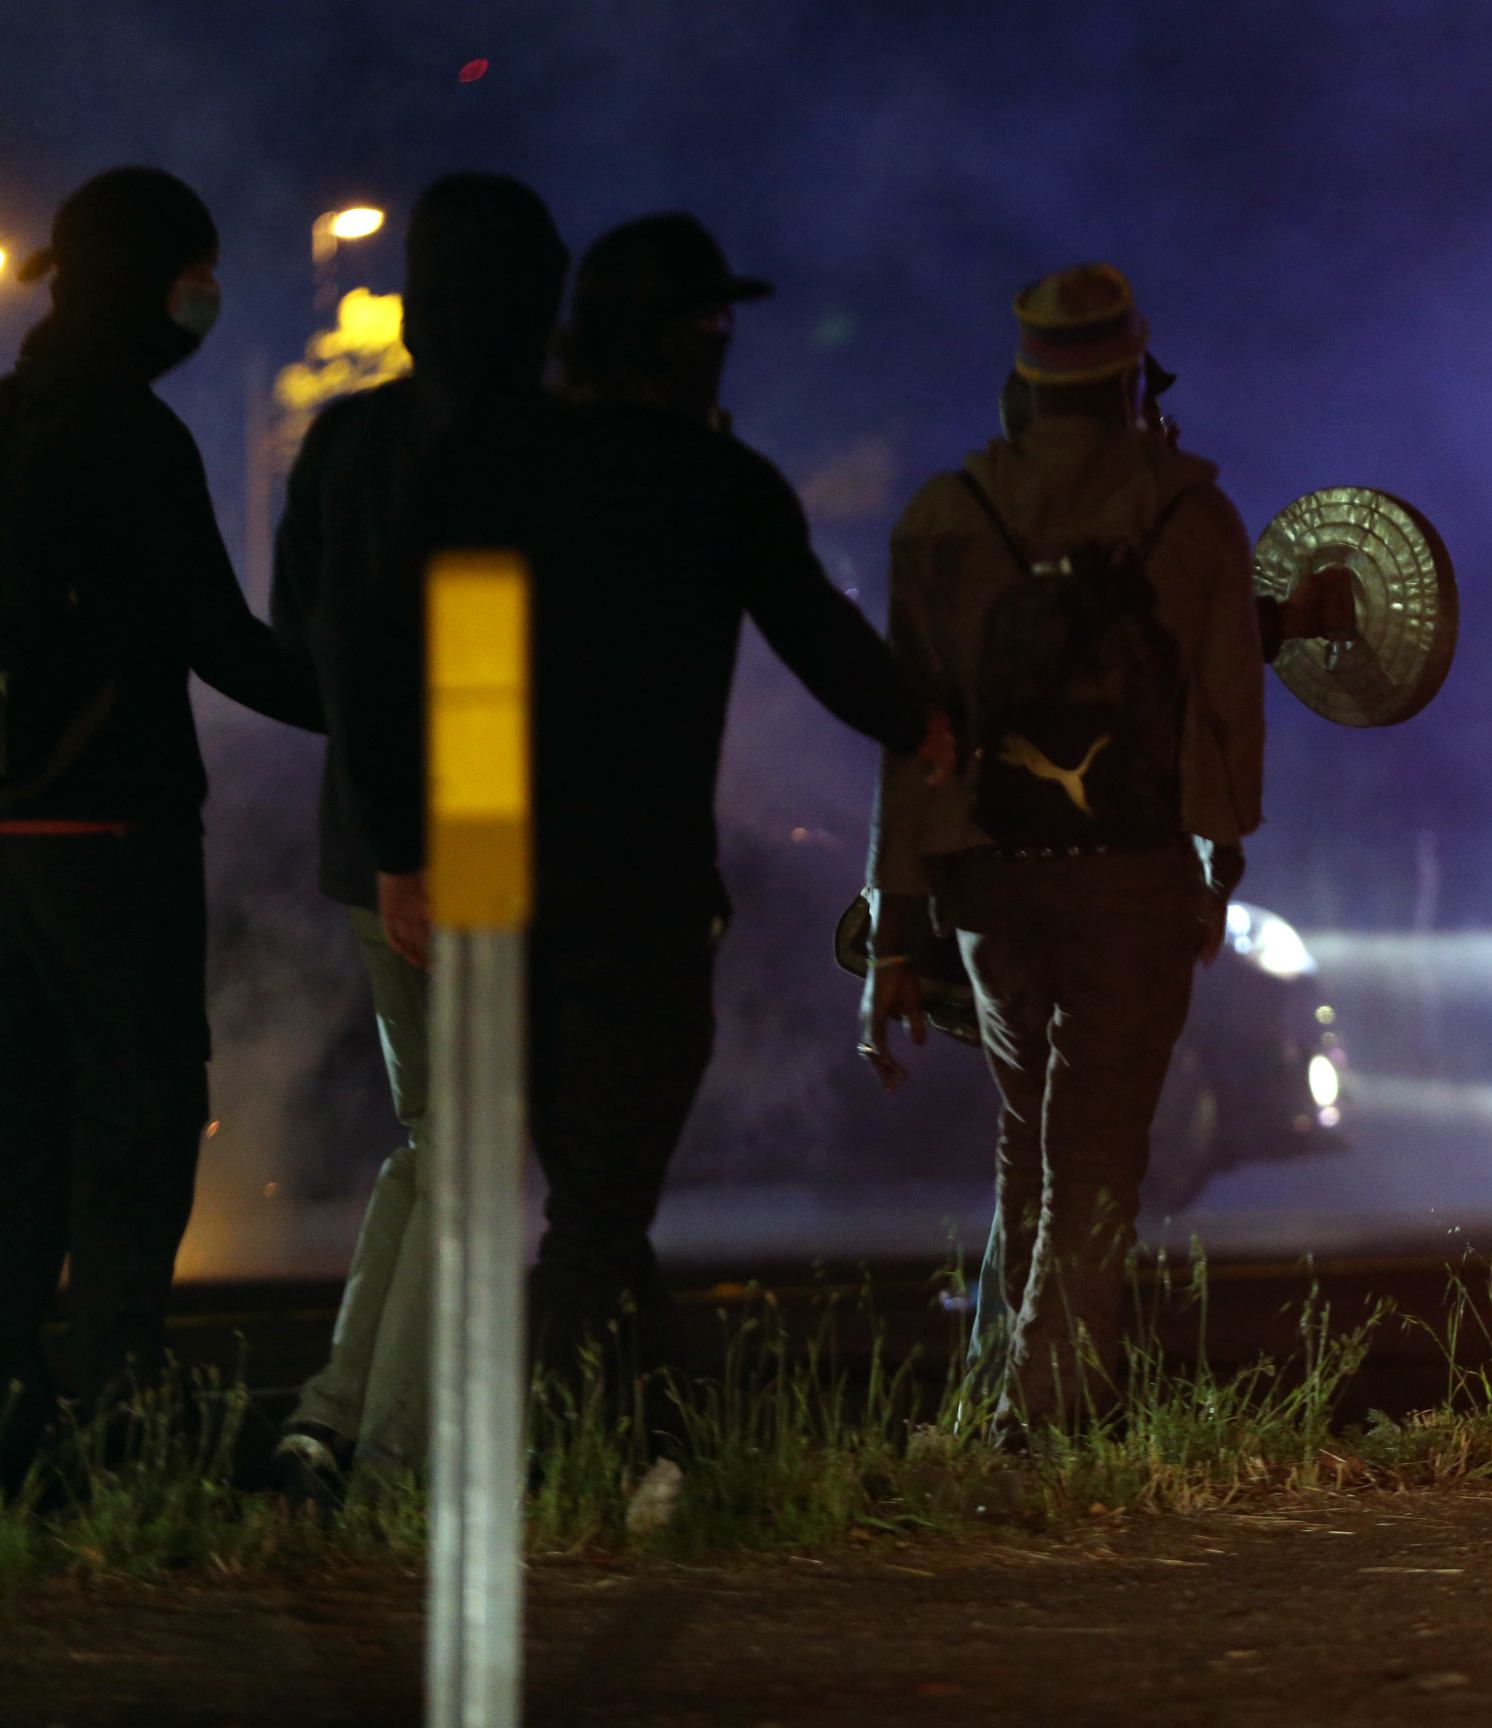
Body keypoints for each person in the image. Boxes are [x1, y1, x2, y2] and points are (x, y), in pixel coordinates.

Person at [343, 213, 938, 1416]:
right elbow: (828, 645)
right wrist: (927, 724)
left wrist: (405, 854)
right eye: (715, 321)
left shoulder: (485, 457)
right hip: (635, 894)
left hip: (487, 879)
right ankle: (550, 1459)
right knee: (601, 1210)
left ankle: (664, 1437)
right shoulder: (718, 483)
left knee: (591, 1198)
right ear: (682, 339)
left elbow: (380, 662)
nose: (726, 341)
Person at [867, 263, 1266, 1430]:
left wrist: (895, 924)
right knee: (1097, 1155)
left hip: (993, 880)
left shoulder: (947, 516)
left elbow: (908, 742)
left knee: (1031, 1139)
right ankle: (1041, 1423)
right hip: (1134, 874)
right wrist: (1219, 867)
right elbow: (1227, 714)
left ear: (1024, 380)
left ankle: (1004, 1390)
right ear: (1134, 372)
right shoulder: (1195, 516)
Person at [0, 168, 323, 1482]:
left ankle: (18, 1413)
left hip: (5, 843)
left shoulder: (8, 415)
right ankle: (122, 1406)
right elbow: (220, 643)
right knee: (136, 1121)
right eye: (195, 270)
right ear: (151, 282)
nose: (208, 297)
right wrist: (385, 713)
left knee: (18, 1128)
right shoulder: (132, 433)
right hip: (112, 838)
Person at [265, 174, 569, 1491]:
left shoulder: (342, 442)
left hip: (362, 832)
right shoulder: (535, 441)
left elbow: (297, 641)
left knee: (437, 1137)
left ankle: (328, 1421)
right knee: (477, 1146)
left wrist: (380, 833)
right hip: (477, 823)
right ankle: (390, 1466)